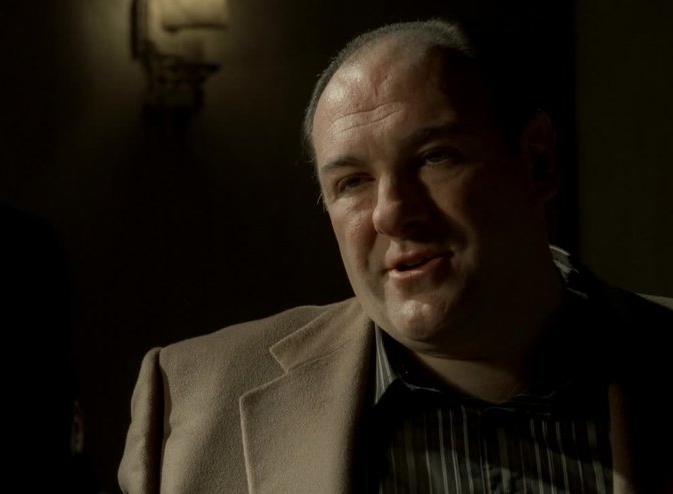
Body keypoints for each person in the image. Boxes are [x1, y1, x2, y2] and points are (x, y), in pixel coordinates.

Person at [118, 19, 673, 493]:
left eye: (434, 157)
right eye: (353, 182)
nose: (391, 212)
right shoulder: (190, 401)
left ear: (537, 162)